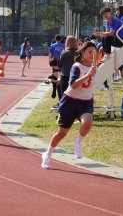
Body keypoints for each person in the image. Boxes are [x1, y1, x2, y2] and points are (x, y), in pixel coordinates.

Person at [41, 41, 97, 169]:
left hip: (85, 102)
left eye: (94, 52)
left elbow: (91, 85)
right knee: (62, 132)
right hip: (70, 101)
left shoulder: (95, 67)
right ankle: (48, 154)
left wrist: (92, 96)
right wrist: (88, 74)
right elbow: (73, 85)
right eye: (89, 52)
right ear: (82, 52)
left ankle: (77, 143)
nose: (92, 54)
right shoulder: (77, 66)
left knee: (87, 121)